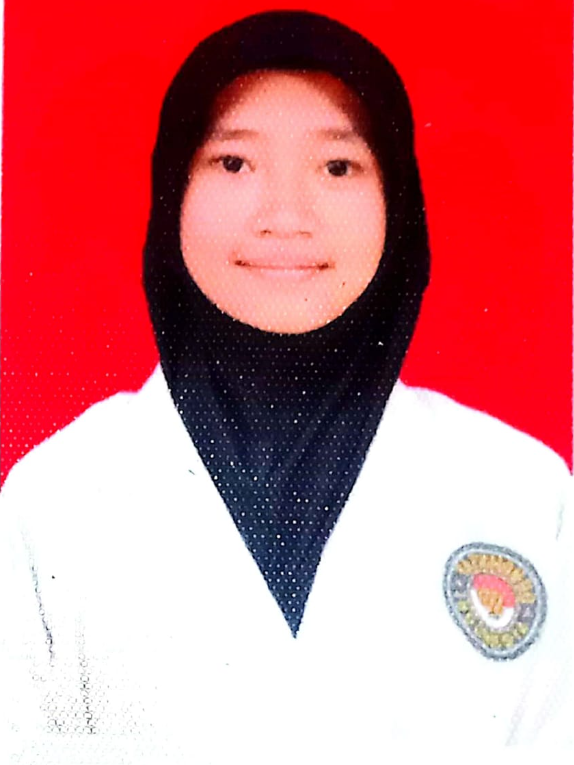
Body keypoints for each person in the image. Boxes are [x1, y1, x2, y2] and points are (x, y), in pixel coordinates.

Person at [0, 9, 571, 762]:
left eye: (337, 167)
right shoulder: (55, 499)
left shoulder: (522, 491)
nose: (285, 218)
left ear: (396, 199)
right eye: (234, 163)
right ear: (174, 192)